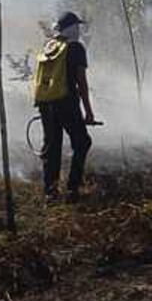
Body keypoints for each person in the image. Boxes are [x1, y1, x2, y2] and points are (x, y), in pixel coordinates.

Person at [36, 11, 99, 202]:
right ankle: (73, 188)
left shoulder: (49, 47)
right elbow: (82, 82)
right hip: (66, 102)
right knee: (82, 142)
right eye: (77, 27)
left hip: (46, 103)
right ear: (72, 29)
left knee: (52, 146)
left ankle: (50, 191)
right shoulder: (76, 48)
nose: (79, 30)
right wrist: (88, 111)